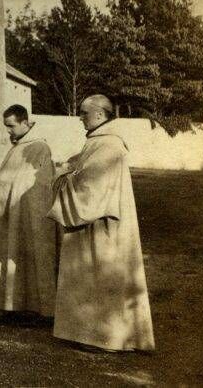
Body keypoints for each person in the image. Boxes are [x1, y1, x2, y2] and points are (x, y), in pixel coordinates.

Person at [48, 94, 155, 351]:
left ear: (99, 114)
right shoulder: (98, 142)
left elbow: (91, 191)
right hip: (94, 224)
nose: (80, 118)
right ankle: (92, 335)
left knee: (103, 277)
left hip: (101, 224)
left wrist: (63, 179)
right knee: (95, 280)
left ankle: (106, 339)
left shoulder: (107, 146)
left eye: (84, 113)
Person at [0, 104, 58, 319]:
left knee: (30, 259)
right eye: (6, 127)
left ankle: (35, 309)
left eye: (11, 126)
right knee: (9, 256)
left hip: (29, 217)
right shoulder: (18, 146)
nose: (8, 131)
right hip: (11, 215)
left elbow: (39, 186)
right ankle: (13, 306)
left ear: (25, 123)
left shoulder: (38, 147)